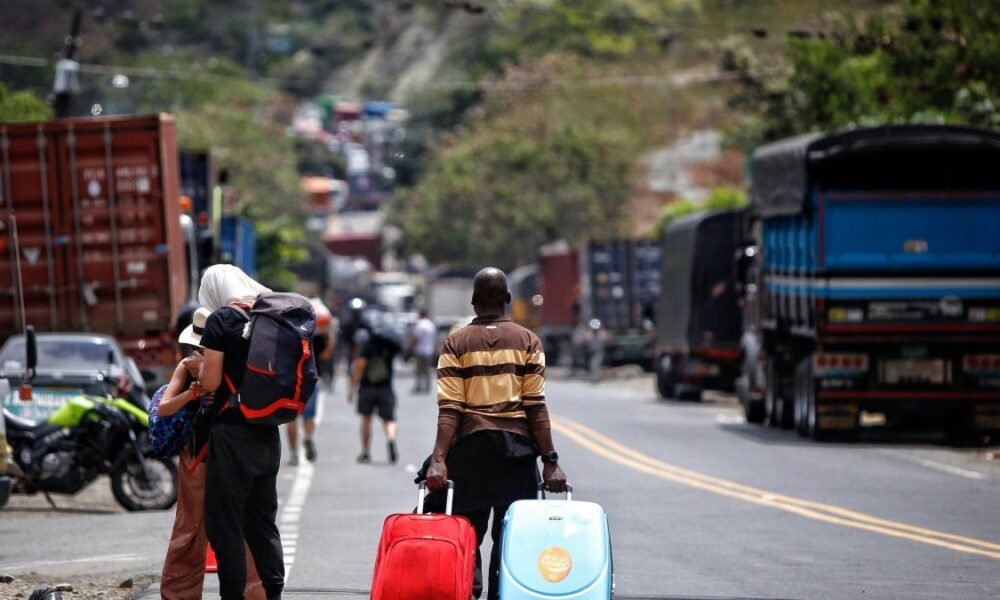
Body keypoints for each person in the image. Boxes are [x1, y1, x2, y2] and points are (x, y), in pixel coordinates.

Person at [423, 267, 568, 600]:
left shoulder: (455, 342)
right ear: (507, 300)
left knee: (465, 535)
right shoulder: (528, 341)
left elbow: (450, 409)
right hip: (514, 457)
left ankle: (468, 591)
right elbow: (535, 407)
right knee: (512, 541)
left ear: (473, 301)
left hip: (470, 454)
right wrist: (550, 461)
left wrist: (439, 460)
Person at [158, 307, 265, 600]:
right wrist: (190, 394)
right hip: (203, 453)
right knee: (199, 526)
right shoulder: (191, 366)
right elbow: (163, 409)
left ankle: (251, 592)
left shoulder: (229, 361)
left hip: (222, 451)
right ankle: (184, 593)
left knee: (221, 526)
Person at [194, 265, 285, 600]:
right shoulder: (271, 316)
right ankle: (273, 593)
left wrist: (201, 369)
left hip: (233, 433)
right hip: (268, 431)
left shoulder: (222, 320)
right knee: (263, 523)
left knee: (224, 524)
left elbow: (212, 382)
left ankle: (232, 596)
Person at [347, 309, 402, 464]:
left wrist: (352, 388)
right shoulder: (390, 345)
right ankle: (391, 439)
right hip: (386, 387)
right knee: (389, 419)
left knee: (366, 419)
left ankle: (365, 452)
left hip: (367, 388)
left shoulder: (368, 345)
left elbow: (360, 367)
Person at [286, 299, 335, 466]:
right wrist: (330, 336)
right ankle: (307, 437)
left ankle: (293, 453)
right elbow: (326, 355)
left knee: (292, 418)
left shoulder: (291, 333)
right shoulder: (318, 336)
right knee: (309, 416)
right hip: (311, 379)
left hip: (291, 380)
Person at [409, 309, 436, 394]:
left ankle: (419, 386)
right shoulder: (431, 325)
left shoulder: (420, 325)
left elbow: (416, 338)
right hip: (429, 350)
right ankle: (428, 386)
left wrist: (412, 347)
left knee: (419, 370)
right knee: (427, 369)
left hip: (420, 350)